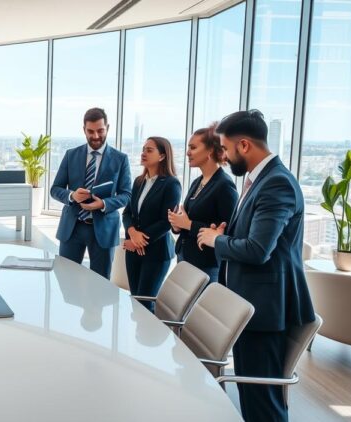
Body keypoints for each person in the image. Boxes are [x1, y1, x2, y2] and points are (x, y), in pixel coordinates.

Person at [197, 110, 315, 422]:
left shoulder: (277, 184)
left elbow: (258, 250)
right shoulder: (258, 179)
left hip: (265, 310)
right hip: (250, 304)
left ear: (245, 145)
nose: (223, 155)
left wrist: (214, 240)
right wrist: (225, 236)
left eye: (225, 148)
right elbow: (254, 239)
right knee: (251, 395)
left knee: (263, 400)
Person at [50, 107, 132, 279]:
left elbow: (126, 194)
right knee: (65, 279)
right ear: (84, 130)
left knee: (101, 283)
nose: (95, 136)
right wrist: (71, 196)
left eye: (100, 131)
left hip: (103, 229)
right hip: (72, 228)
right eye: (91, 131)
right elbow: (55, 189)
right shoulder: (70, 155)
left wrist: (103, 204)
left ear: (107, 128)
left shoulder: (120, 159)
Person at [168, 125, 238, 284]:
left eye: (193, 147)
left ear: (210, 151)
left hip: (206, 264)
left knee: (198, 309)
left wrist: (188, 224)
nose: (187, 152)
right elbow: (187, 220)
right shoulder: (197, 182)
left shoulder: (224, 185)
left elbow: (227, 231)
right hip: (185, 257)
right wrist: (177, 225)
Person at [121, 137, 181, 310]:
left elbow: (166, 221)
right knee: (135, 301)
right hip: (133, 251)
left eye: (149, 150)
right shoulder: (139, 181)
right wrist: (132, 233)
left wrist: (139, 240)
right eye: (143, 149)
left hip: (156, 253)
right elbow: (127, 213)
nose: (143, 153)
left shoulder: (171, 184)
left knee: (144, 305)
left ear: (162, 156)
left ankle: (149, 337)